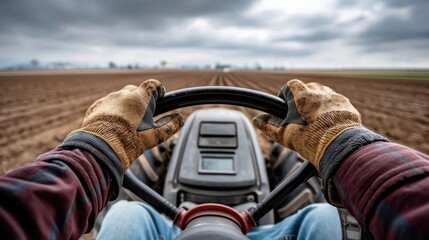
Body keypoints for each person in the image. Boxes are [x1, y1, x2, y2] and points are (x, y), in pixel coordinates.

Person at [0, 79, 428, 239]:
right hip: (257, 224)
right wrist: (343, 143)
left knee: (125, 217)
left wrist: (98, 148)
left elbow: (20, 215)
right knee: (321, 216)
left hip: (176, 223)